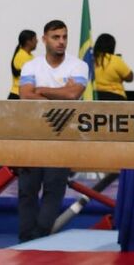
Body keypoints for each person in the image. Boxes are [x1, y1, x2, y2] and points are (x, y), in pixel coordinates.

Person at [17, 20, 88, 243]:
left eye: (65, 37)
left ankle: (38, 237)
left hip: (62, 134)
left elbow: (73, 95)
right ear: (44, 39)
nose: (61, 42)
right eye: (56, 37)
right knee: (27, 190)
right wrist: (60, 91)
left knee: (54, 190)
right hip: (33, 133)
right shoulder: (31, 66)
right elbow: (25, 95)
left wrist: (43, 89)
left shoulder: (78, 66)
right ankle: (25, 238)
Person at [92, 33, 134, 101]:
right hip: (115, 98)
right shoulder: (115, 60)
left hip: (93, 97)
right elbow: (130, 77)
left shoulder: (90, 60)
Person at [7, 29, 37, 100]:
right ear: (28, 42)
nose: (37, 41)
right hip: (17, 94)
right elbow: (32, 76)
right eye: (35, 39)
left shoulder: (31, 56)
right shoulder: (21, 56)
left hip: (25, 93)